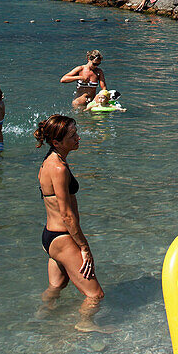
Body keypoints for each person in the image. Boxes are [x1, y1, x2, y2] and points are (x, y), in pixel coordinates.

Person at [36, 114, 104, 328]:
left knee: (56, 287)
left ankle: (37, 321)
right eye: (72, 135)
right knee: (95, 295)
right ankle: (84, 324)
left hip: (50, 237)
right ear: (56, 142)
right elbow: (66, 215)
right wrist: (84, 247)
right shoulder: (59, 169)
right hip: (62, 238)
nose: (78, 138)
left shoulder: (49, 162)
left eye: (76, 133)